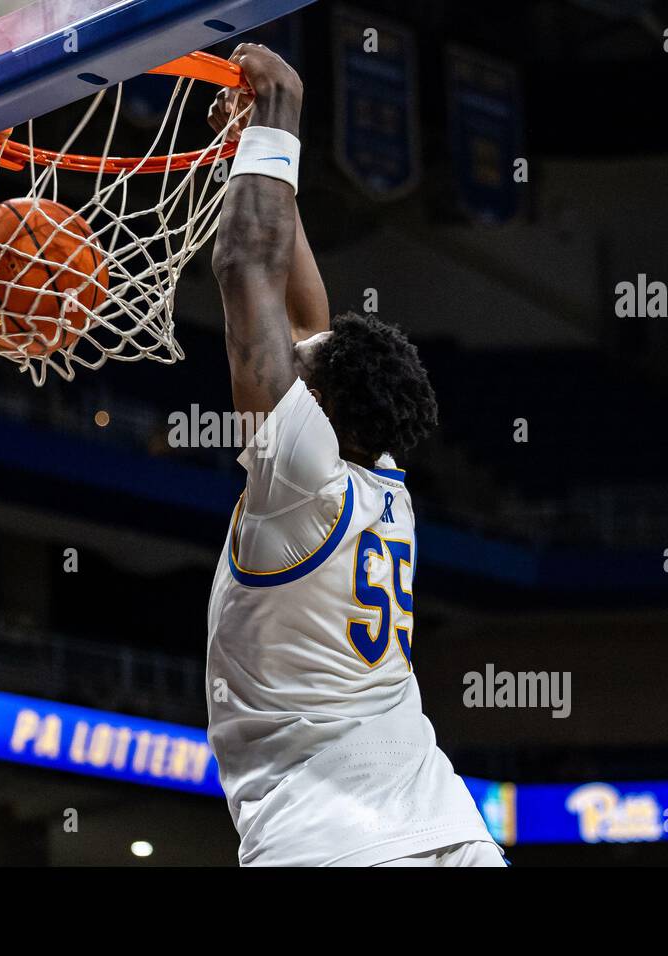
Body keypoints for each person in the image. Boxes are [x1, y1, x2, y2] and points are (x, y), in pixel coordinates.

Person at [204, 43, 504, 866]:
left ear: (322, 409)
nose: (292, 358)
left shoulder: (301, 481)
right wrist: (255, 149)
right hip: (451, 832)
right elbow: (301, 314)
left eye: (302, 371)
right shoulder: (380, 479)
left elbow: (244, 269)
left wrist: (282, 112)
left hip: (331, 844)